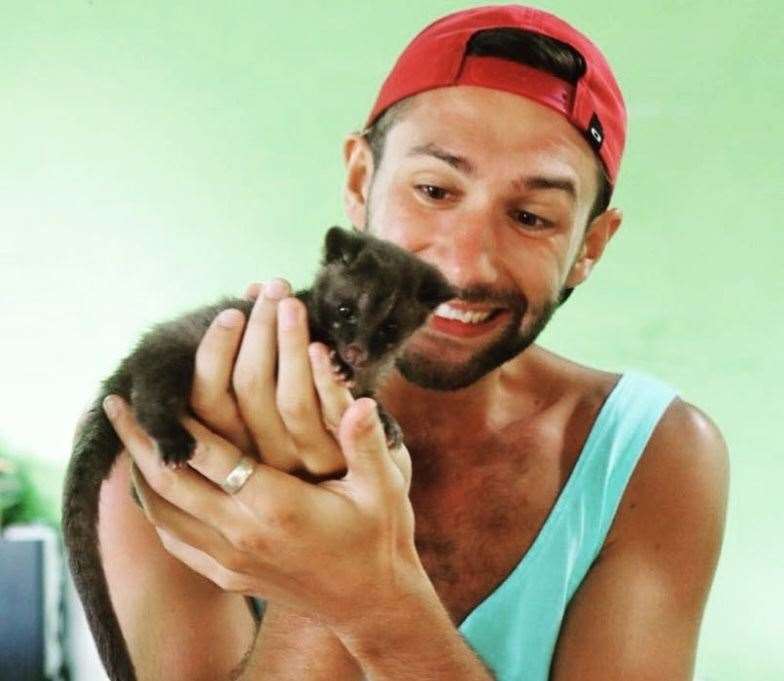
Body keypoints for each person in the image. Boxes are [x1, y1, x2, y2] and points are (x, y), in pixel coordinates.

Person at [92, 5, 729, 680]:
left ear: (588, 248)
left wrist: (372, 603)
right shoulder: (181, 422)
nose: (464, 265)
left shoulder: (649, 456)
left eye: (530, 216)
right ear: (360, 181)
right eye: (432, 189)